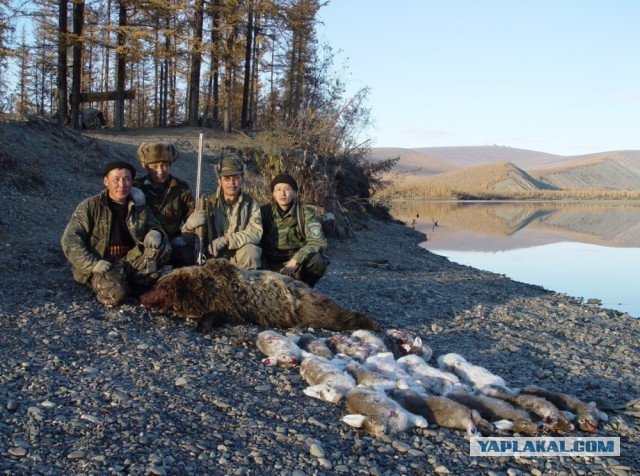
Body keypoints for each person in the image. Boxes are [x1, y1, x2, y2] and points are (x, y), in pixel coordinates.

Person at [61, 160, 171, 306]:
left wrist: (155, 233)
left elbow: (154, 226)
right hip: (104, 262)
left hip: (131, 259)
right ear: (106, 181)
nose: (122, 185)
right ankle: (108, 282)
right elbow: (70, 239)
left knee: (162, 246)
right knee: (116, 296)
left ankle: (136, 281)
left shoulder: (138, 206)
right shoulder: (90, 206)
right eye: (116, 179)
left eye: (126, 179)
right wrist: (93, 263)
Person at [183, 154, 262, 269]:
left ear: (242, 180)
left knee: (251, 251)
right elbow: (189, 238)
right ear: (219, 181)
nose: (232, 183)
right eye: (227, 178)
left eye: (236, 178)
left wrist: (227, 239)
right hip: (212, 257)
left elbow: (255, 233)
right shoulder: (207, 204)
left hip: (238, 257)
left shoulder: (251, 204)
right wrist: (189, 226)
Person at [260, 173, 329, 287]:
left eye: (287, 189)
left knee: (318, 261)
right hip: (269, 264)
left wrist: (297, 259)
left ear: (294, 192)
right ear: (273, 193)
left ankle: (305, 288)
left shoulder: (305, 213)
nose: (282, 193)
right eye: (278, 189)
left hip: (296, 265)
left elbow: (318, 241)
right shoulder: (264, 212)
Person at [134, 142, 196, 267]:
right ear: (146, 167)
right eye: (154, 166)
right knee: (149, 268)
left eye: (164, 165)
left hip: (173, 240)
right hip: (147, 241)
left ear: (170, 165)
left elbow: (190, 217)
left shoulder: (181, 188)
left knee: (188, 256)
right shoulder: (137, 187)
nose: (160, 171)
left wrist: (193, 225)